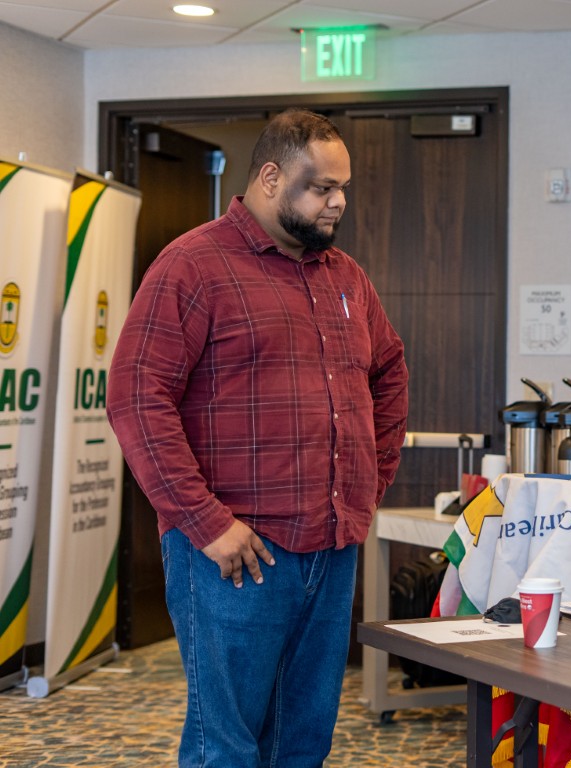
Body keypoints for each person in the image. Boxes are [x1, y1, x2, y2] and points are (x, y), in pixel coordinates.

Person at [107, 109, 408, 767]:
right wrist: (206, 522)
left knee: (302, 741)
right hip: (234, 551)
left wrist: (370, 479)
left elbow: (388, 370)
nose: (338, 202)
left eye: (343, 188)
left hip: (331, 543)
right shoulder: (193, 265)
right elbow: (135, 398)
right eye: (321, 187)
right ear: (270, 178)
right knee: (227, 747)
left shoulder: (345, 276)